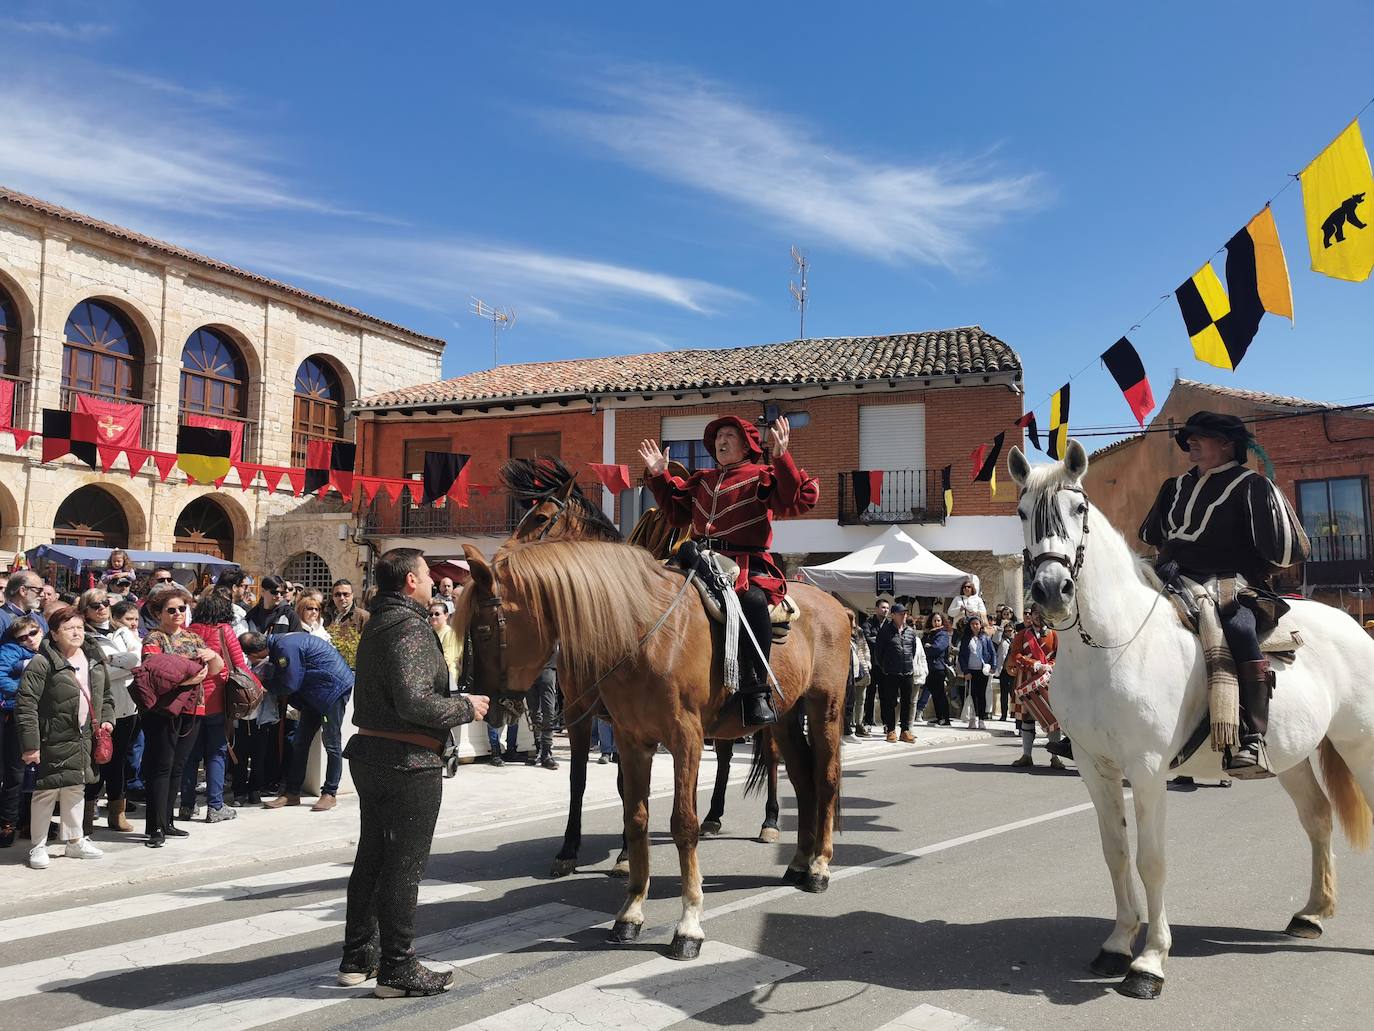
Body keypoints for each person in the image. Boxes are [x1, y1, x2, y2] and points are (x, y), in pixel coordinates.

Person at [339, 547, 489, 997]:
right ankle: (397, 966)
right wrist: (467, 705)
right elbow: (414, 701)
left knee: (372, 858)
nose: (429, 582)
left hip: (375, 756)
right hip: (408, 761)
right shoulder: (411, 628)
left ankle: (358, 956)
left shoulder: (379, 621)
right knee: (404, 865)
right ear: (410, 581)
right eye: (426, 575)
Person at [1139, 410, 1310, 779]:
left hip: (1232, 581)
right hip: (1173, 576)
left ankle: (1252, 735)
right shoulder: (1175, 485)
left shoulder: (1252, 485)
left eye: (1202, 437)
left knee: (1239, 627)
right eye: (1191, 438)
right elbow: (1158, 536)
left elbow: (1282, 552)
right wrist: (1165, 560)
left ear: (1227, 445)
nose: (1192, 444)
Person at [641, 415, 819, 728]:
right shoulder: (703, 479)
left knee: (750, 601)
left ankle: (756, 690)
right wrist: (659, 476)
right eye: (718, 436)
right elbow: (674, 512)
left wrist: (782, 458)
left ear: (747, 444)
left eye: (729, 436)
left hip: (744, 563)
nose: (721, 441)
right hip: (698, 558)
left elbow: (793, 499)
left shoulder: (762, 474)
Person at [16, 606, 114, 868]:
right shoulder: (42, 662)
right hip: (51, 739)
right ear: (55, 633)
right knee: (45, 792)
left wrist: (107, 720)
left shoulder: (93, 658)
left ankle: (74, 841)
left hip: (84, 737)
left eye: (80, 627)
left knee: (76, 788)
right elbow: (26, 705)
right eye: (69, 628)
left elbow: (105, 696)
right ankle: (37, 846)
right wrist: (31, 745)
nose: (76, 632)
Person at [141, 584, 222, 846]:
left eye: (182, 609)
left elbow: (216, 670)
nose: (178, 613)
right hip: (164, 709)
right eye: (171, 609)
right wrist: (188, 679)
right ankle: (155, 827)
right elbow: (153, 673)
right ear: (158, 613)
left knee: (178, 766)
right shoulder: (154, 638)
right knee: (160, 767)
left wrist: (212, 655)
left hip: (193, 708)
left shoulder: (193, 638)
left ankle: (168, 821)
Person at [249, 628, 354, 813]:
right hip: (314, 693)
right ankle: (292, 793)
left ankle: (330, 793)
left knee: (331, 743)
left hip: (332, 691)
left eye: (251, 657)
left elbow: (290, 684)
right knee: (300, 742)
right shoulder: (278, 645)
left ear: (257, 652)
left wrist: (266, 685)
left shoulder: (284, 648)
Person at [181, 591, 252, 824]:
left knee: (191, 756)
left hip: (192, 701)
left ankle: (186, 805)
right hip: (217, 701)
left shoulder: (188, 632)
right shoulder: (224, 630)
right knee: (217, 753)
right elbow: (239, 666)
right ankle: (215, 806)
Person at [80, 589, 141, 834]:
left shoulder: (123, 631)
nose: (102, 608)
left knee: (119, 762)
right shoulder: (84, 636)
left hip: (128, 705)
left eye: (105, 603)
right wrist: (126, 665)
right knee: (98, 760)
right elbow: (97, 671)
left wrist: (118, 663)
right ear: (85, 610)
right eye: (95, 605)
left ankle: (117, 813)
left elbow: (139, 659)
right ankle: (86, 813)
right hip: (102, 708)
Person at [0, 615, 43, 847]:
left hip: (43, 716)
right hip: (16, 714)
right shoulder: (11, 650)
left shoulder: (49, 649)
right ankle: (8, 823)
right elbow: (0, 676)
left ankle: (29, 822)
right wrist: (26, 690)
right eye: (22, 637)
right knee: (16, 773)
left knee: (35, 773)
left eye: (32, 634)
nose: (28, 640)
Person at [1009, 605, 1064, 769]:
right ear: (1030, 616)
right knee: (1026, 718)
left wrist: (1050, 666)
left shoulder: (1054, 634)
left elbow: (1059, 655)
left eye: (1042, 613)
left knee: (1053, 718)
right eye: (1035, 614)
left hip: (1048, 679)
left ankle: (1056, 758)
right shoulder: (1021, 635)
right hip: (1026, 678)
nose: (1038, 617)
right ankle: (1027, 755)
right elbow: (1016, 655)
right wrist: (1034, 664)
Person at [873, 604, 926, 743]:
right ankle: (891, 729)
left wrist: (908, 664)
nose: (904, 616)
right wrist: (885, 667)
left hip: (907, 671)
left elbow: (913, 650)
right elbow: (878, 653)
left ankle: (905, 730)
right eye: (901, 614)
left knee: (907, 702)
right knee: (890, 702)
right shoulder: (885, 631)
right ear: (893, 615)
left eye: (905, 614)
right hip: (891, 672)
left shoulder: (910, 632)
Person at [857, 599, 890, 735]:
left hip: (886, 666)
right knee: (870, 695)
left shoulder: (890, 624)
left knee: (886, 696)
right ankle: (868, 721)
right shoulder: (868, 623)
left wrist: (879, 640)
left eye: (887, 608)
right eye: (883, 607)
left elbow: (893, 640)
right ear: (876, 609)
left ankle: (887, 723)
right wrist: (882, 641)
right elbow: (867, 639)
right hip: (871, 665)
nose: (885, 610)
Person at [958, 616, 997, 730]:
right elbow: (962, 656)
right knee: (972, 695)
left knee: (982, 695)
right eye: (973, 624)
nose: (975, 626)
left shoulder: (986, 638)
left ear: (980, 625)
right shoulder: (966, 639)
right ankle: (972, 718)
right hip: (971, 671)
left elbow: (992, 653)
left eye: (977, 624)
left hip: (983, 670)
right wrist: (966, 671)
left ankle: (981, 719)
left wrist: (993, 666)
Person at [525, 647, 560, 770]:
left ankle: (546, 751)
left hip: (547, 668)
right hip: (530, 669)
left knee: (548, 711)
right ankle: (540, 749)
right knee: (534, 712)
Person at [920, 613, 953, 726]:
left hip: (938, 667)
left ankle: (945, 718)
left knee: (940, 693)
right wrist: (928, 647)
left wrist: (929, 647)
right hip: (929, 667)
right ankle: (939, 717)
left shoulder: (943, 634)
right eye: (934, 620)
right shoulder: (929, 634)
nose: (936, 622)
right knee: (934, 693)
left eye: (938, 620)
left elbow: (937, 648)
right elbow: (922, 647)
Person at [0, 571, 49, 643]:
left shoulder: (39, 619)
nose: (42, 595)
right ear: (23, 591)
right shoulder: (2, 618)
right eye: (39, 590)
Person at [428, 603, 463, 681]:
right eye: (431, 614)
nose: (433, 617)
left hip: (448, 677)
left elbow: (447, 659)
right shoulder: (430, 633)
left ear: (446, 615)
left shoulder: (449, 633)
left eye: (437, 614)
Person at [138, 570, 177, 636]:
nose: (166, 582)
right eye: (161, 580)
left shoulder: (179, 609)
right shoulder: (139, 607)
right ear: (150, 583)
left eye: (169, 580)